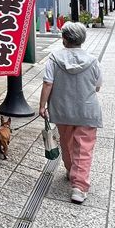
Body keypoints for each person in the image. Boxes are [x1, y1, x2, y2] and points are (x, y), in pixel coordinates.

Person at [39, 22, 102, 204]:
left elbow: (47, 83)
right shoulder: (93, 60)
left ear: (64, 39)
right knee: (84, 147)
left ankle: (71, 170)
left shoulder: (54, 59)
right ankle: (79, 187)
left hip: (62, 110)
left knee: (66, 143)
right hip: (87, 111)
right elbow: (97, 86)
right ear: (82, 39)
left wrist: (42, 106)